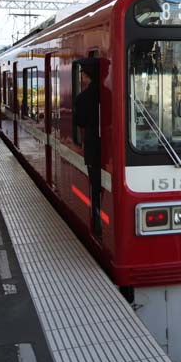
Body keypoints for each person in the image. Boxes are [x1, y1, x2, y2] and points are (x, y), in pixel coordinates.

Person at [73, 60, 102, 239]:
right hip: (106, 150)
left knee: (95, 185)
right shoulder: (110, 92)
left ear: (86, 75)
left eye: (83, 73)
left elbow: (80, 122)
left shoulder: (83, 97)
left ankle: (96, 216)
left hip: (93, 148)